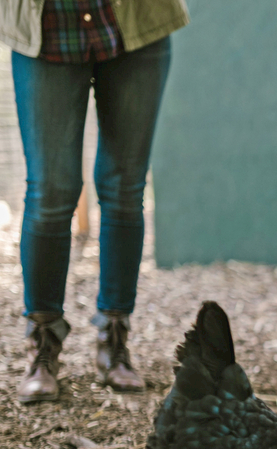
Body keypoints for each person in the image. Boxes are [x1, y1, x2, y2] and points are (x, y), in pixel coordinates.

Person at [0, 0, 189, 403]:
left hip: (137, 24)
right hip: (45, 28)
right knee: (50, 191)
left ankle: (114, 341)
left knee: (124, 188)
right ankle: (43, 349)